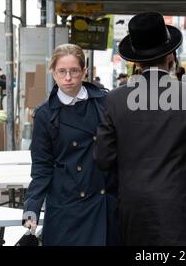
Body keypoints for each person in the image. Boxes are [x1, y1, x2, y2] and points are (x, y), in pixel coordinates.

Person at [93, 12, 186, 245]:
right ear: (170, 54)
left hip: (134, 204)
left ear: (136, 61)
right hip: (179, 202)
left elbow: (104, 158)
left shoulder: (115, 99)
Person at [23, 43, 119, 246]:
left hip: (103, 202)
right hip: (67, 204)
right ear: (53, 72)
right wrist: (32, 206)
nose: (68, 78)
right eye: (62, 71)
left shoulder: (105, 103)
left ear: (84, 71)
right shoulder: (45, 114)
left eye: (74, 71)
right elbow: (42, 166)